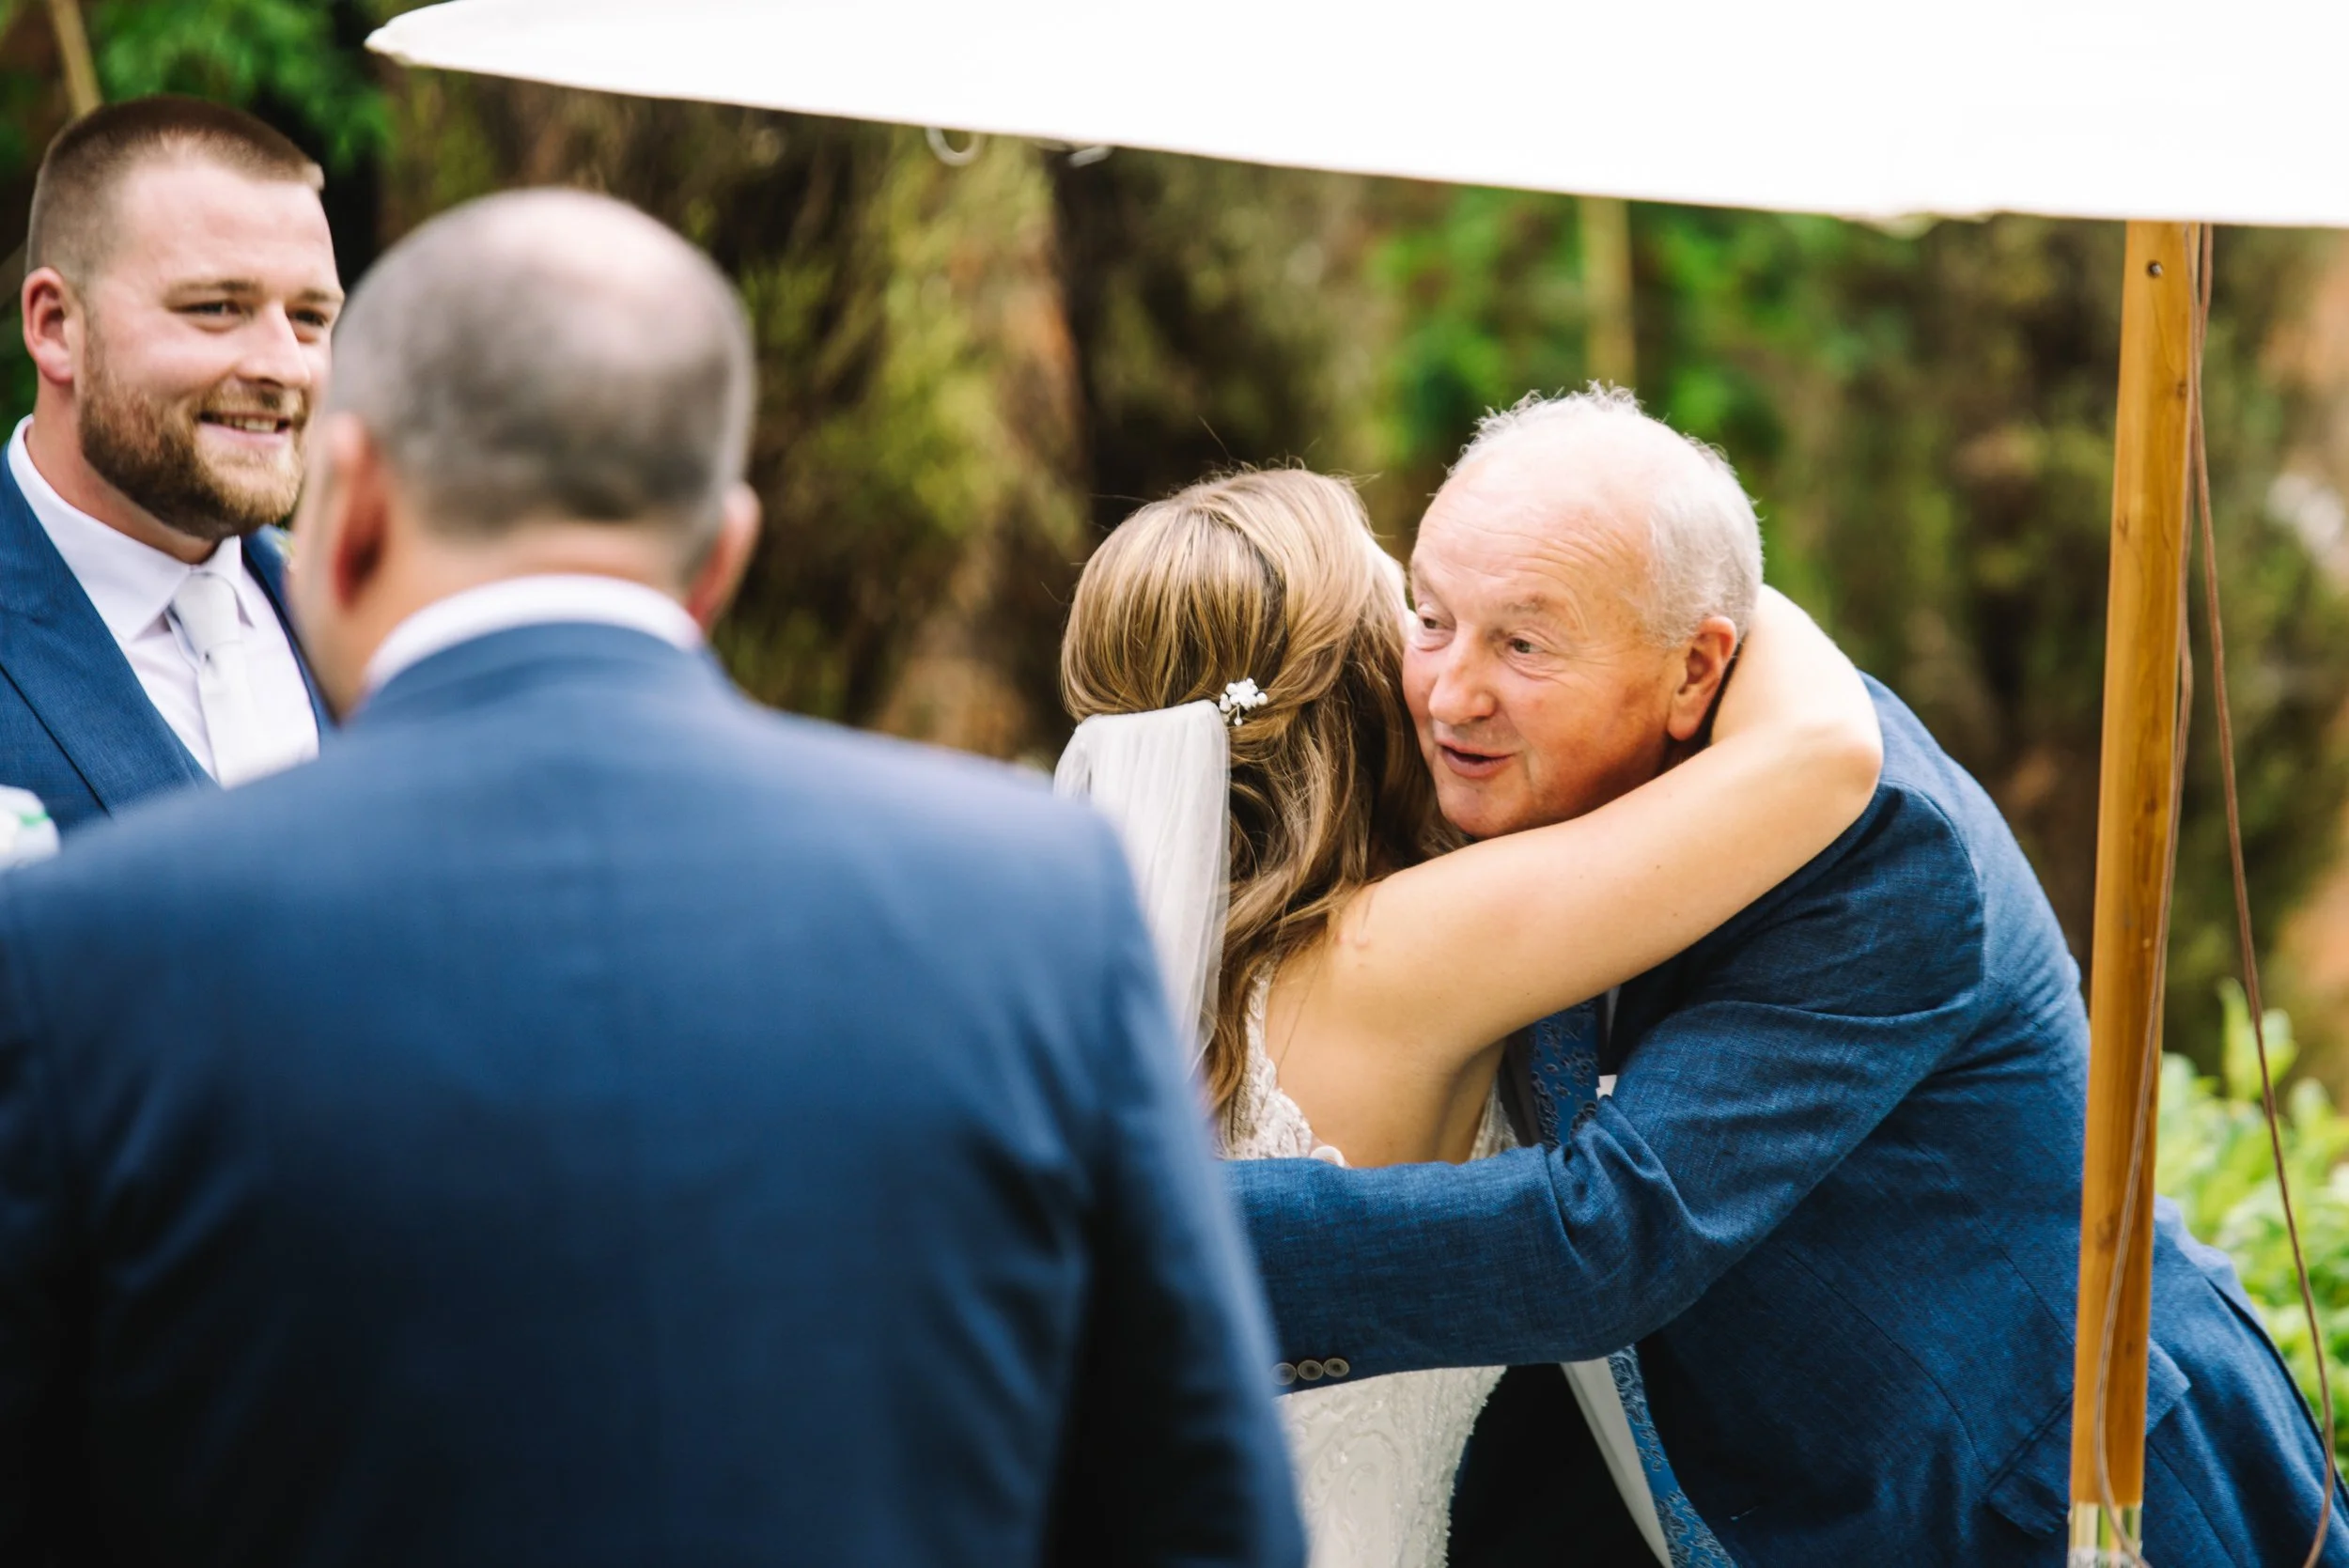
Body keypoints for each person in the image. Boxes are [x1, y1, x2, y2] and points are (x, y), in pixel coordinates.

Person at [0, 189, 1302, 1568]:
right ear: (722, 552)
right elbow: (1205, 1521)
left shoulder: (81, 947)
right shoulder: (1036, 900)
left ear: (357, 496)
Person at [1221, 388, 2349, 1565]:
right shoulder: (1521, 778)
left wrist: (1167, 1221)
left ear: (1696, 669)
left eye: (1523, 644)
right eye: (1432, 618)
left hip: (2039, 1501)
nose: (1450, 692)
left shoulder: (1884, 861)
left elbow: (1609, 1238)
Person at [1054, 466, 1883, 1568]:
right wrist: (1699, 587)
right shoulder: (1393, 956)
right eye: (1418, 618)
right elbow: (1820, 755)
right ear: (1357, 682)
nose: (1441, 673)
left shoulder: (1061, 982)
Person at [0, 96, 334, 835]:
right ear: (56, 326)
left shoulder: (361, 618)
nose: (285, 365)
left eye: (310, 318)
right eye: (217, 306)